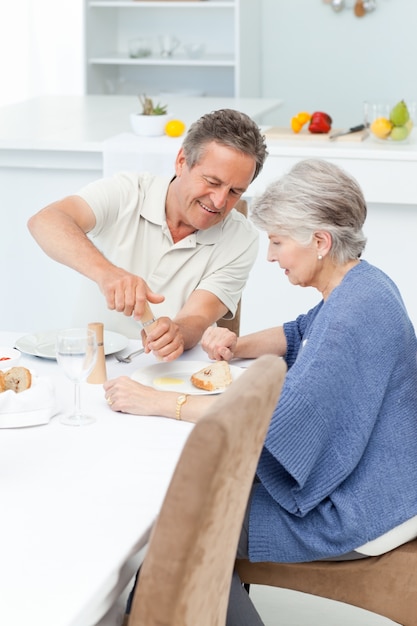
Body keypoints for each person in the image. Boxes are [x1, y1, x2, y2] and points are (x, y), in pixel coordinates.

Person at [105, 159, 417, 625]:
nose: (271, 257)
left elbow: (274, 426)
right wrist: (239, 343)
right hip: (390, 482)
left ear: (320, 242)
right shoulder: (363, 283)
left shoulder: (352, 315)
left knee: (180, 531)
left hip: (361, 507)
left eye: (277, 242)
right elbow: (301, 331)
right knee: (196, 505)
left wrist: (159, 403)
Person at [27, 109, 267, 361]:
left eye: (235, 192)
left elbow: (197, 316)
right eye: (212, 182)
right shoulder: (127, 192)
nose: (219, 201)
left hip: (169, 372)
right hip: (88, 363)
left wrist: (177, 334)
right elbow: (45, 221)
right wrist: (107, 274)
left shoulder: (242, 238)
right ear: (182, 161)